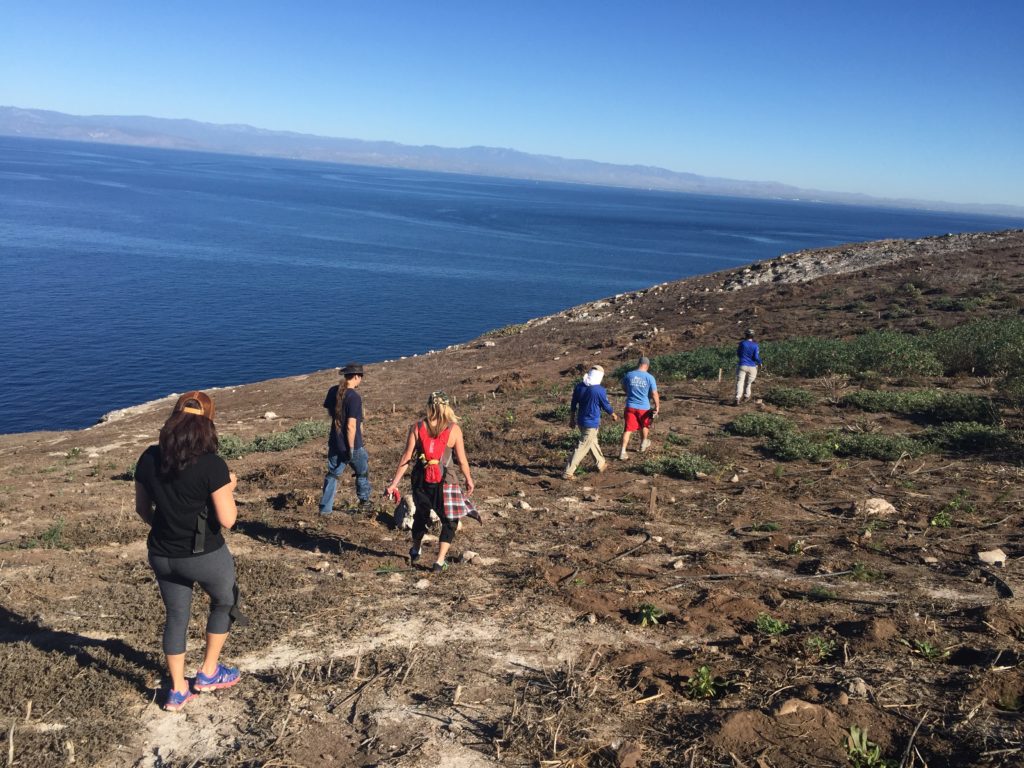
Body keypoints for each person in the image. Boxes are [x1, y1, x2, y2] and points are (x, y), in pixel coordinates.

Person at [134, 391, 242, 712]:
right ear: (208, 423)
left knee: (176, 617)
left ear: (173, 419)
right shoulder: (212, 465)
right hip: (204, 555)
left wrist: (169, 528)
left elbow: (143, 510)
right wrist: (228, 486)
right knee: (226, 600)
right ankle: (208, 672)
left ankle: (178, 691)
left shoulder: (149, 457)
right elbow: (228, 520)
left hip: (162, 555)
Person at [386, 391, 475, 573]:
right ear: (447, 407)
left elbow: (406, 458)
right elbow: (462, 460)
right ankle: (439, 562)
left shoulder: (417, 427)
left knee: (421, 514)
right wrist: (468, 479)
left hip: (420, 480)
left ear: (429, 406)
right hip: (446, 482)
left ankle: (416, 548)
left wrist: (394, 484)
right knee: (450, 521)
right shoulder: (454, 429)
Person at [319, 363, 372, 515]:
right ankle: (364, 502)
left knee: (332, 474)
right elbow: (351, 426)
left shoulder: (333, 391)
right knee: (362, 472)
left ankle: (325, 509)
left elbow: (332, 413)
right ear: (356, 376)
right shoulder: (354, 397)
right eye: (360, 377)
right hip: (353, 445)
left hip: (335, 442)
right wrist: (350, 448)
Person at [563, 364, 618, 479]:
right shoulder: (599, 390)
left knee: (592, 442)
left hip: (581, 421)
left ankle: (601, 464)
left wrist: (572, 419)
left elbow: (573, 404)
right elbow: (605, 405)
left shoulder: (579, 387)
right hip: (591, 422)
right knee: (583, 446)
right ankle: (568, 472)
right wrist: (612, 414)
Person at [618, 356, 660, 460]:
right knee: (644, 425)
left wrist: (628, 392)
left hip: (630, 406)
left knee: (627, 429)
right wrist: (657, 406)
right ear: (647, 365)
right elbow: (654, 394)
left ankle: (622, 452)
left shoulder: (629, 374)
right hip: (644, 407)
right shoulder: (650, 377)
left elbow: (623, 386)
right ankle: (642, 444)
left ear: (638, 364)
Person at [735, 329, 762, 405]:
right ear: (753, 336)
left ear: (745, 335)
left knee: (740, 382)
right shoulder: (755, 345)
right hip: (752, 366)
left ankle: (737, 398)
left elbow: (738, 354)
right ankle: (746, 396)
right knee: (748, 383)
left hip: (742, 365)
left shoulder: (742, 343)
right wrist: (760, 362)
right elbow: (756, 357)